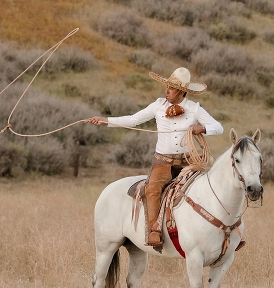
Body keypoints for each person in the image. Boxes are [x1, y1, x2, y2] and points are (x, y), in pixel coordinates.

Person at [88, 67, 223, 246]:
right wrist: (106, 120)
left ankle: (223, 229)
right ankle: (154, 230)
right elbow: (133, 119)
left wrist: (203, 128)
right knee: (152, 188)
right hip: (163, 163)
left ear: (182, 92)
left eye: (171, 88)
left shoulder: (194, 109)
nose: (166, 91)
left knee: (209, 187)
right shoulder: (158, 105)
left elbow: (218, 127)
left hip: (187, 163)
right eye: (167, 86)